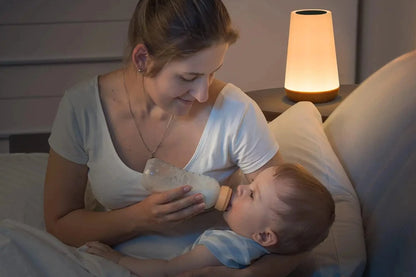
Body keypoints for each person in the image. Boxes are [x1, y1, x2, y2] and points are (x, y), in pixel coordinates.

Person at [43, 0, 303, 276]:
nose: (203, 94)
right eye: (189, 77)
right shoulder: (82, 108)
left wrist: (243, 275)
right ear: (142, 59)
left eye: (213, 72)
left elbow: (294, 229)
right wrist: (139, 218)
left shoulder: (236, 112)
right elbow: (59, 223)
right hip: (108, 265)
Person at [85, 163, 335, 277]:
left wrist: (116, 259)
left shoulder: (224, 249)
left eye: (252, 194)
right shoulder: (257, 248)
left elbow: (166, 270)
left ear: (264, 236)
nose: (239, 189)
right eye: (250, 183)